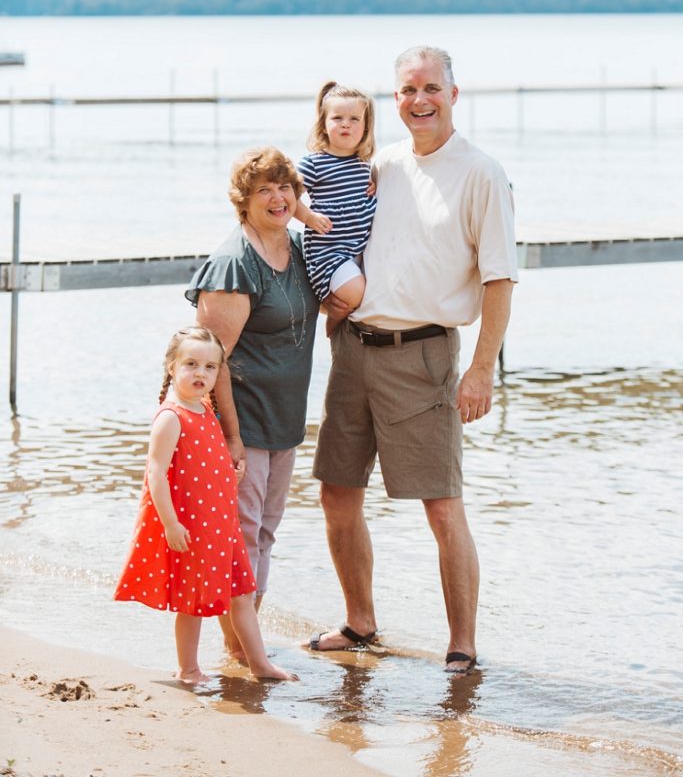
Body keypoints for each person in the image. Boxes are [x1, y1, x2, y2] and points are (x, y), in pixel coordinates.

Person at [308, 46, 518, 675]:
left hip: (425, 356)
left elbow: (500, 279)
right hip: (353, 350)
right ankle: (360, 623)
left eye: (430, 88)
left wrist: (481, 370)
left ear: (454, 93)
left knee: (441, 504)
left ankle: (462, 646)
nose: (418, 100)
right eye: (406, 90)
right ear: (393, 100)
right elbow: (332, 226)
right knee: (336, 492)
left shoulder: (482, 172)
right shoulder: (382, 164)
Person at [185, 148, 320, 659]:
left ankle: (245, 642)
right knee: (241, 537)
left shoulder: (300, 249)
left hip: (283, 421)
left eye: (285, 187)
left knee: (265, 531)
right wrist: (232, 436)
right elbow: (208, 360)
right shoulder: (234, 264)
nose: (278, 197)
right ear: (243, 202)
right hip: (242, 424)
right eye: (264, 189)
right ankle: (240, 647)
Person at [114, 326, 295, 683]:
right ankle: (189, 669)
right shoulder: (171, 417)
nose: (201, 373)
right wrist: (170, 524)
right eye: (191, 364)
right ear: (172, 367)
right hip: (193, 528)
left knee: (242, 593)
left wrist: (231, 472)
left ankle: (261, 665)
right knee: (192, 603)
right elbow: (156, 474)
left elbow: (203, 463)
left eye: (210, 367)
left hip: (221, 527)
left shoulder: (204, 409)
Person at [294, 81, 377, 334]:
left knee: (370, 292)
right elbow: (287, 198)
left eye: (354, 119)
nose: (345, 124)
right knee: (354, 294)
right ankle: (332, 331)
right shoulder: (315, 163)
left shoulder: (364, 164)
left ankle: (347, 330)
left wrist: (375, 188)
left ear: (365, 127)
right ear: (323, 124)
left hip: (357, 249)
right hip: (328, 252)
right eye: (337, 117)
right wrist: (307, 216)